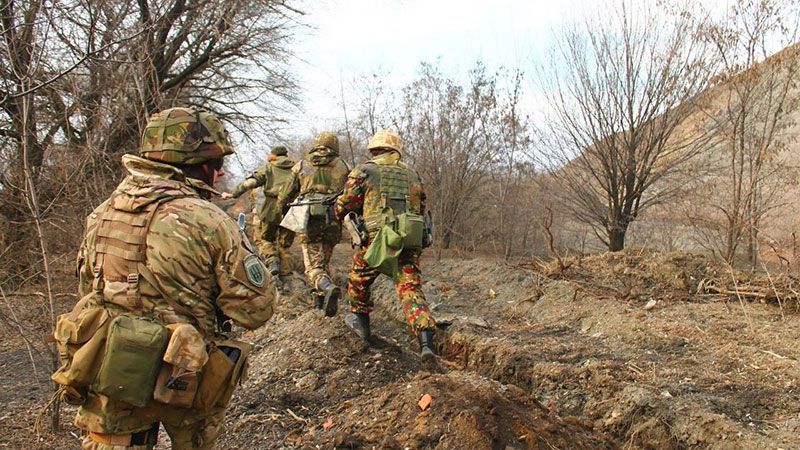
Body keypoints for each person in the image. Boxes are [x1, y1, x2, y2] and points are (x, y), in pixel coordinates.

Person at [57, 107, 275, 450]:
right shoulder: (210, 221)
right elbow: (256, 310)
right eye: (217, 163)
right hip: (185, 375)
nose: (219, 173)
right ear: (199, 164)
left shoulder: (101, 214)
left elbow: (88, 290)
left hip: (114, 372)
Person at [334, 129, 437, 362]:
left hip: (378, 241)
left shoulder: (364, 171)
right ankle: (426, 343)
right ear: (397, 149)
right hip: (409, 239)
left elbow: (344, 206)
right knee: (410, 288)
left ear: (374, 149)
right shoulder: (412, 174)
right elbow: (421, 207)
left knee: (358, 280)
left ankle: (362, 328)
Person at [278, 131, 349, 316]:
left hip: (309, 219)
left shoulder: (302, 165)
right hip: (332, 220)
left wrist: (284, 213)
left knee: (312, 267)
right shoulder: (344, 166)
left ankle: (327, 289)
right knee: (322, 262)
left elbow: (284, 195)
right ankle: (320, 306)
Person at [221, 145, 296, 276]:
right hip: (292, 209)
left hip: (271, 208)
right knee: (285, 245)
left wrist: (232, 193)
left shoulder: (269, 168)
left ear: (273, 156)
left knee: (265, 239)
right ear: (286, 155)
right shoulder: (296, 169)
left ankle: (272, 261)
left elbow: (250, 183)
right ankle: (288, 278)